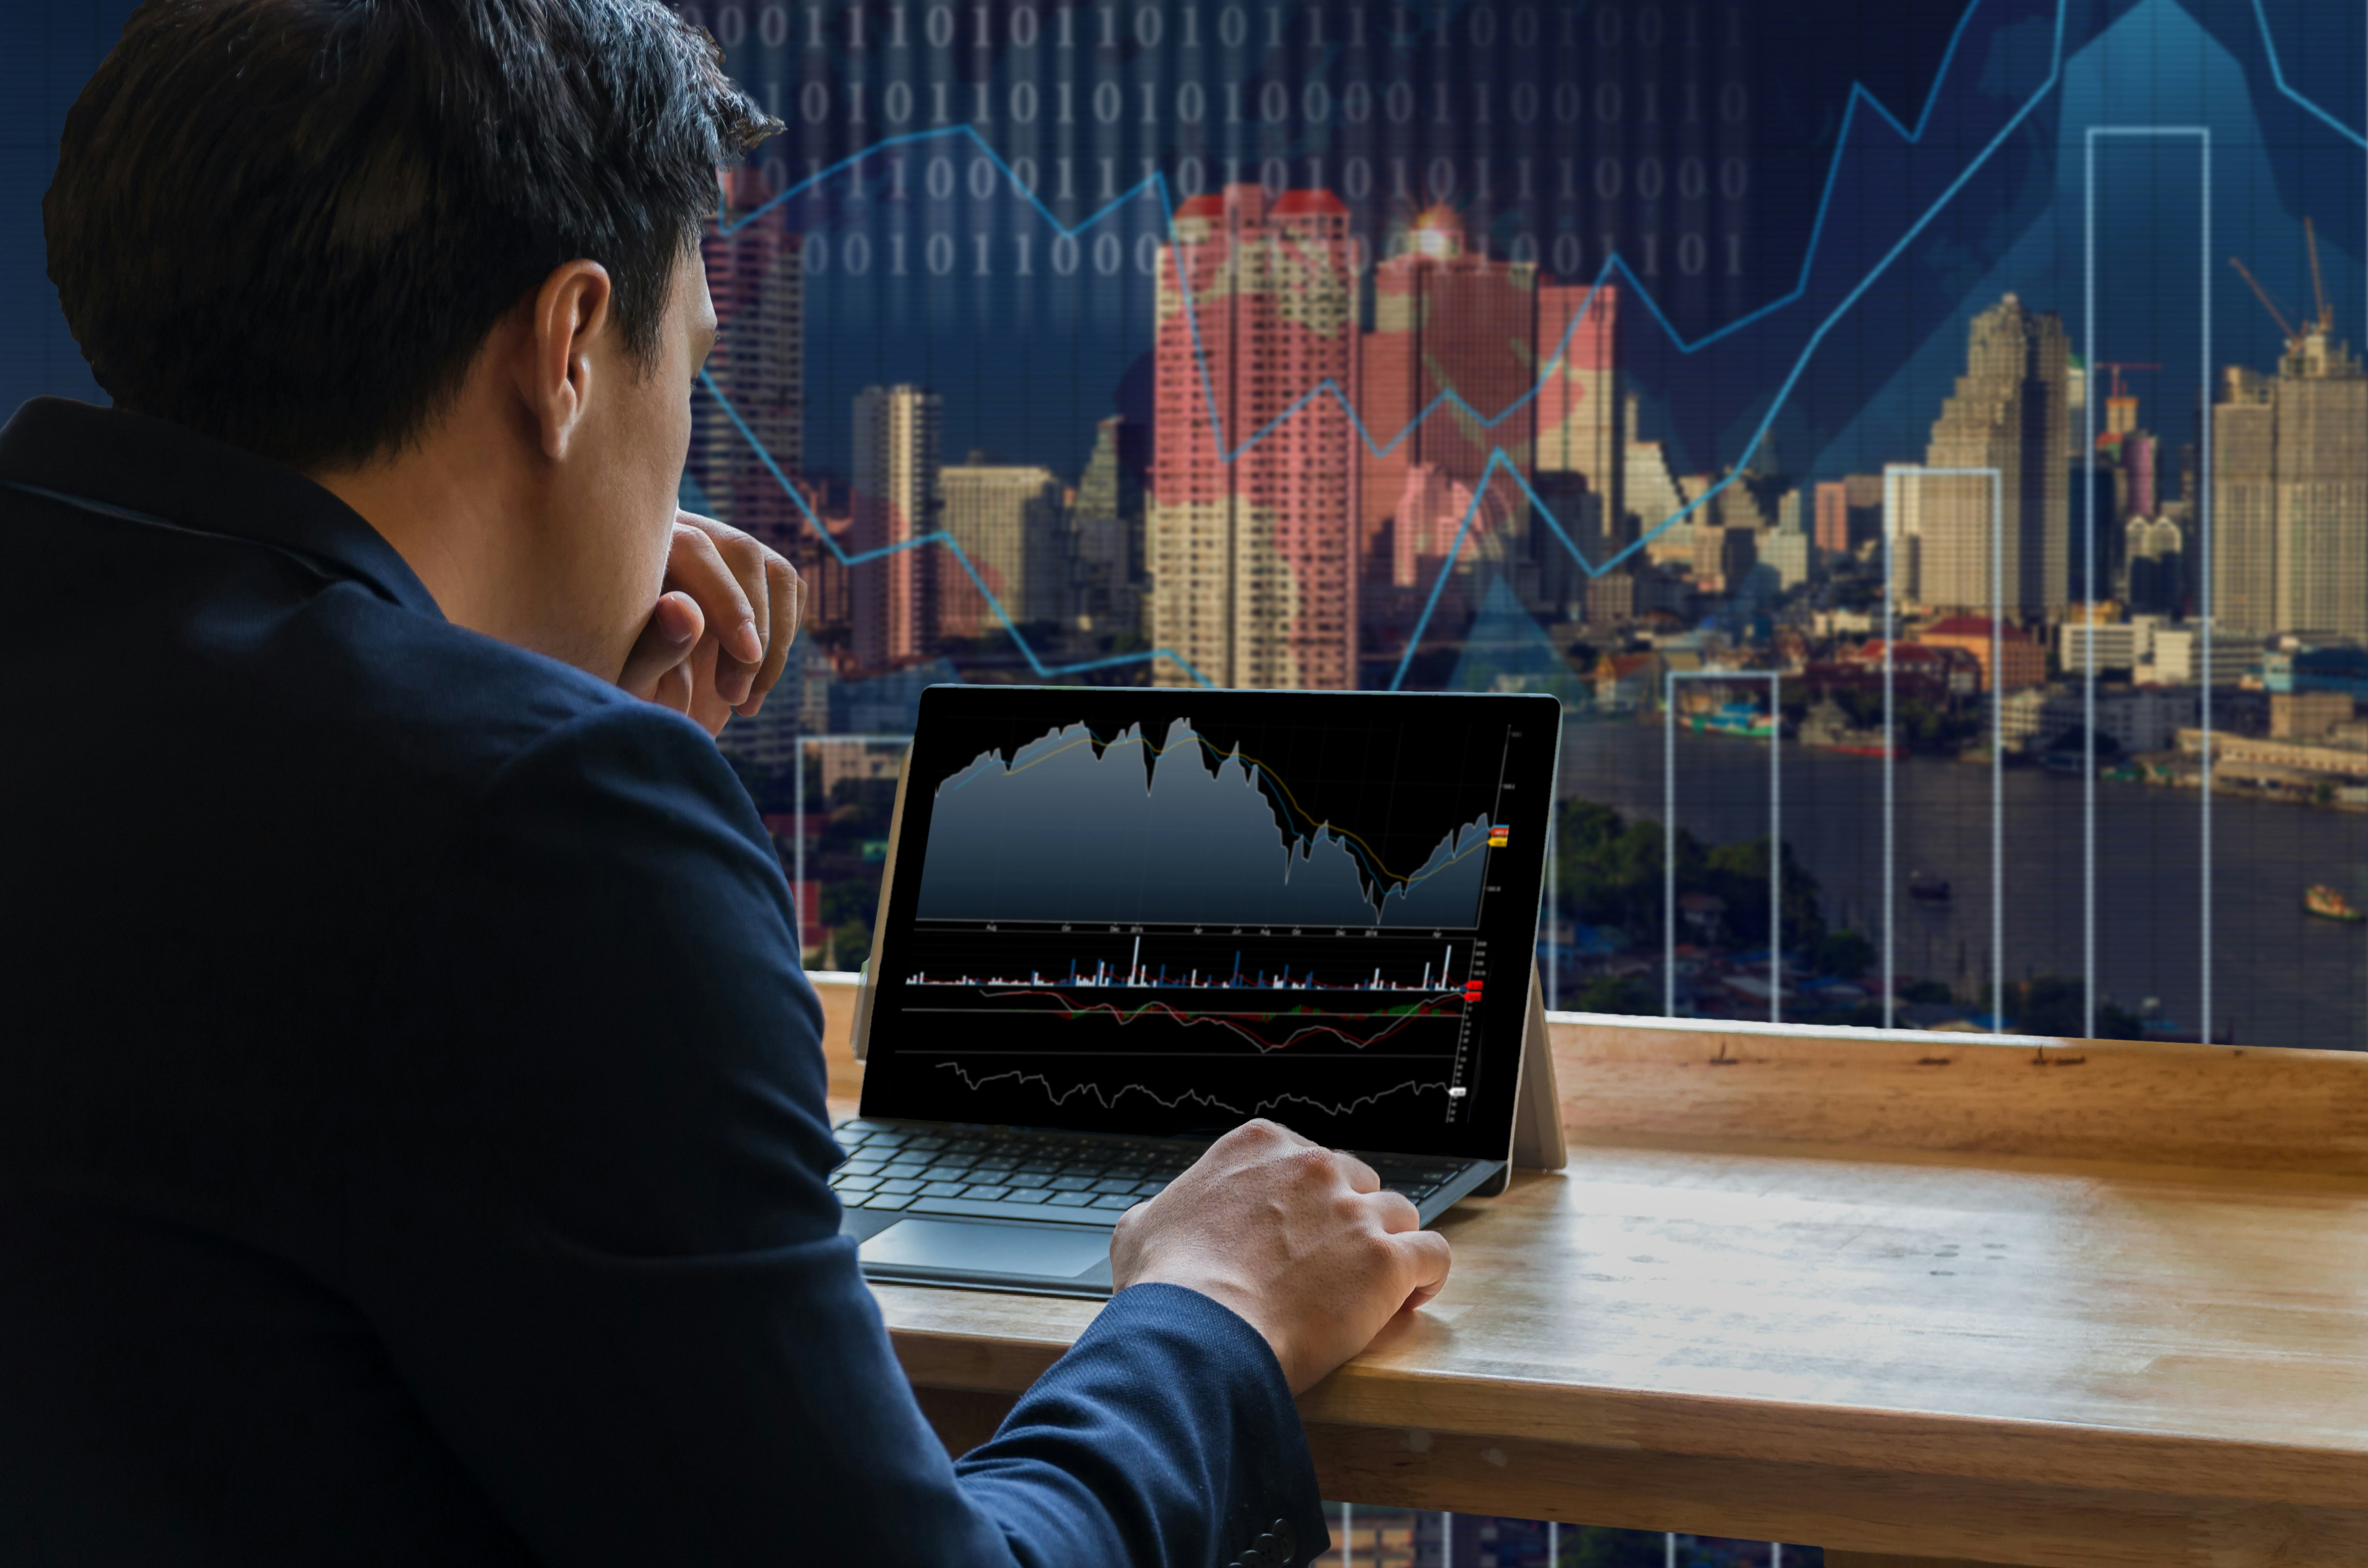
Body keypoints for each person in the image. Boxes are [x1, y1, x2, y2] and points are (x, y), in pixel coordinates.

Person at [0, 0, 1453, 1562]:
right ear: (566, 351)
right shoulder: (544, 828)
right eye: (685, 363)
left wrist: (505, 690)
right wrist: (1212, 1309)